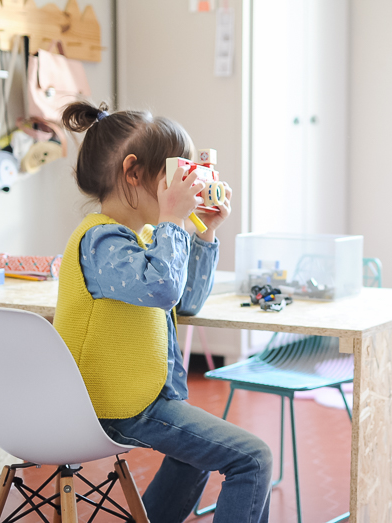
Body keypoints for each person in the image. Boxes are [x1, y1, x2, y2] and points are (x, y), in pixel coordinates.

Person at [53, 101, 272, 523]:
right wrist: (174, 219)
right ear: (133, 174)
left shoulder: (146, 237)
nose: (184, 190)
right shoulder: (101, 243)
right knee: (252, 459)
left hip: (145, 399)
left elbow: (185, 299)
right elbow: (164, 287)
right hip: (115, 407)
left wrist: (204, 234)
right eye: (173, 178)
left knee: (194, 459)